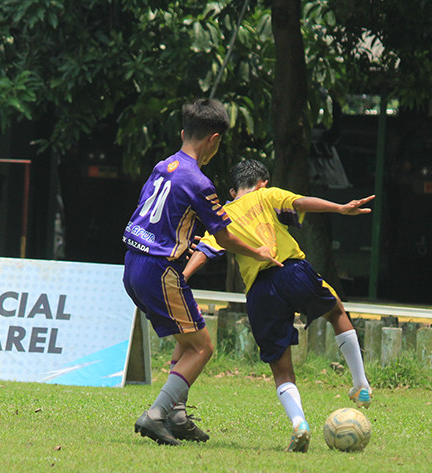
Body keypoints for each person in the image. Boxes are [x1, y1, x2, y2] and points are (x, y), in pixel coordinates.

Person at [182, 158, 374, 453]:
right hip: (291, 271)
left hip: (259, 293)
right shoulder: (267, 195)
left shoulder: (222, 215)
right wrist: (340, 208)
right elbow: (301, 202)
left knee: (282, 370)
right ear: (262, 184)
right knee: (336, 311)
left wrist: (182, 279)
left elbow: (206, 249)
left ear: (233, 191)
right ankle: (361, 384)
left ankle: (299, 424)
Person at [122, 100, 280, 447]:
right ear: (214, 140)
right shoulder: (199, 181)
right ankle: (156, 414)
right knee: (203, 347)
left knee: (188, 337)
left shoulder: (163, 166)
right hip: (158, 270)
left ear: (183, 133)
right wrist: (259, 251)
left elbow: (152, 213)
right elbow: (223, 236)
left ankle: (176, 416)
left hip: (133, 262)